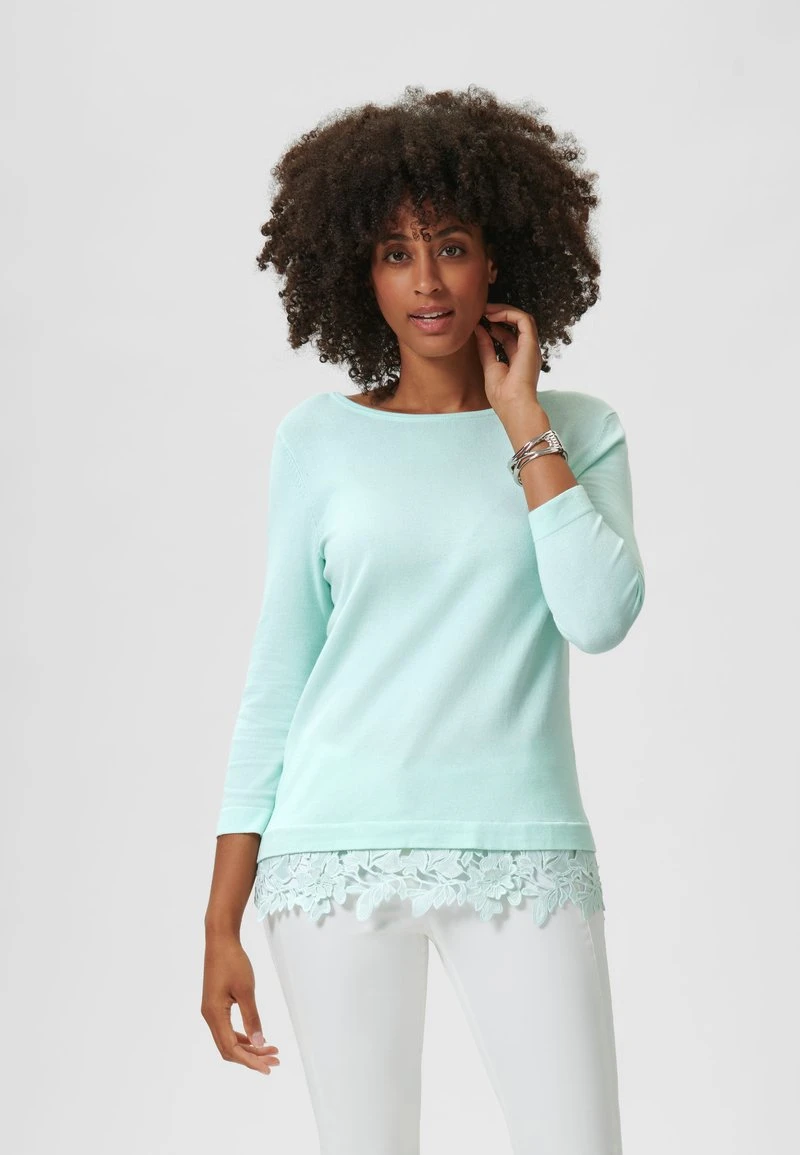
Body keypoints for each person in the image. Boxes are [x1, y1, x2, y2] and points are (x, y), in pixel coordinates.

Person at [202, 84, 645, 1155]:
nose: (427, 281)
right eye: (395, 254)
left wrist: (522, 421)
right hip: (331, 855)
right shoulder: (318, 441)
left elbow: (597, 616)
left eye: (449, 246)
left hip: (521, 846)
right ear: (360, 275)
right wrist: (220, 918)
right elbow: (278, 675)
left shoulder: (577, 430)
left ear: (498, 259)